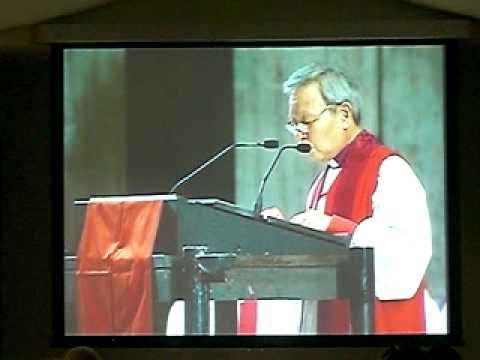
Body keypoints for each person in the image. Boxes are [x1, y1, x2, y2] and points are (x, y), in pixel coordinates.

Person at [254, 64, 432, 334]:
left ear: (344, 115)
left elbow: (405, 258)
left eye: (307, 121)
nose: (300, 132)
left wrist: (335, 226)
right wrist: (284, 233)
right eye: (294, 124)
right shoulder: (324, 178)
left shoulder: (388, 169)